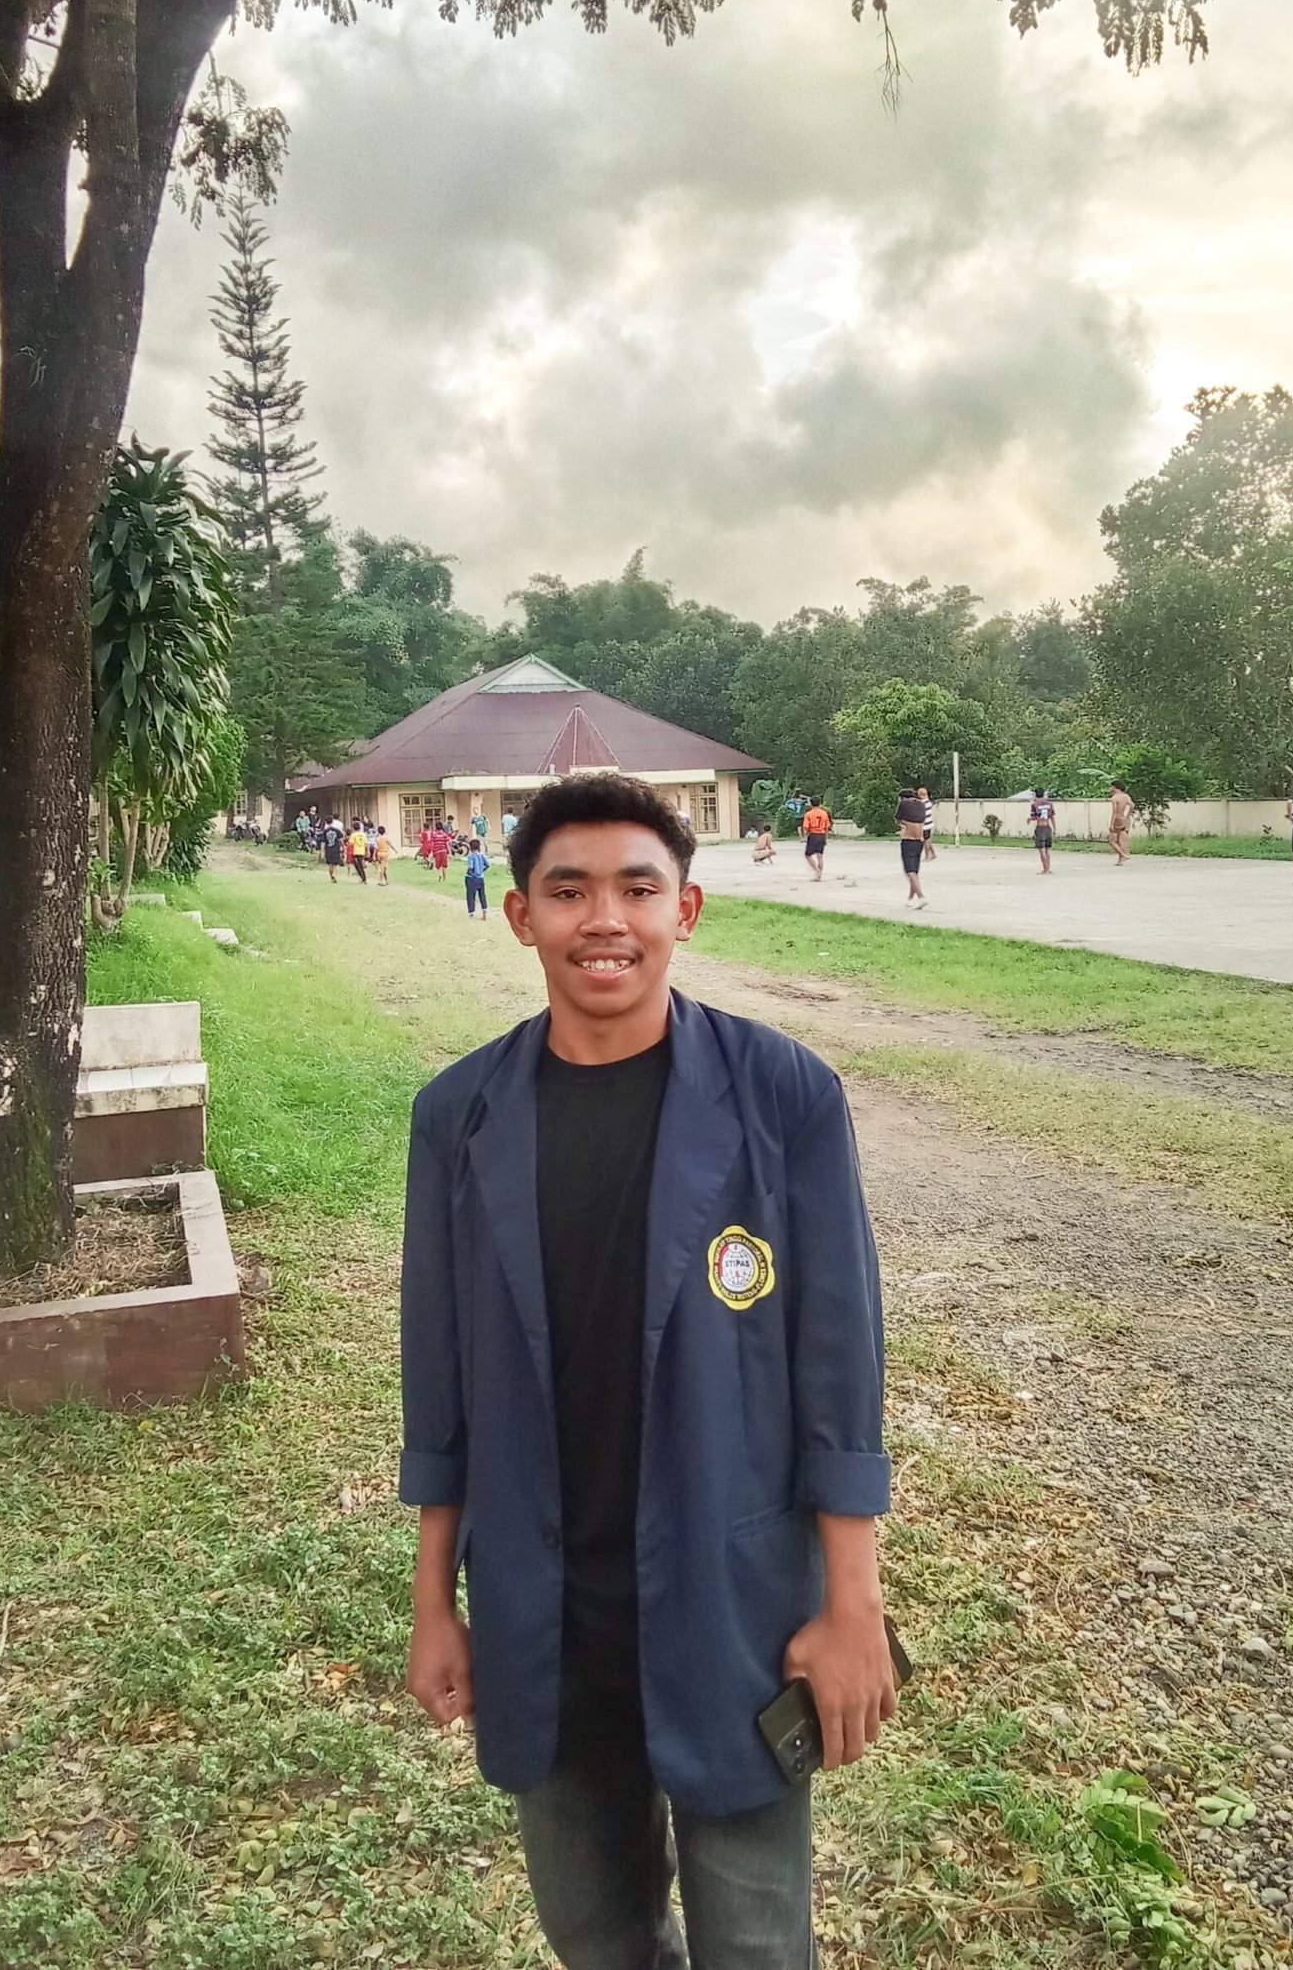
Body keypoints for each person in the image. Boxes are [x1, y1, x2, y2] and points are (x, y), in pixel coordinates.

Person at [400, 774, 893, 1970]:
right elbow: (441, 1382)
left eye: (637, 888)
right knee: (598, 1935)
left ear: (687, 909)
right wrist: (432, 1605)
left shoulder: (783, 1097)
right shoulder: (460, 1117)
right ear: (520, 915)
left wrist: (852, 1606)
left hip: (732, 1598)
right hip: (543, 1606)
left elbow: (838, 1369)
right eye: (569, 891)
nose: (604, 919)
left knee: (755, 1940)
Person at [894, 785, 928, 908]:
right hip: (919, 841)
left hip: (908, 840)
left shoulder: (904, 804)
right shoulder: (922, 805)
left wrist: (902, 823)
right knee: (914, 871)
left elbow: (897, 819)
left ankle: (921, 896)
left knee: (909, 871)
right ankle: (910, 898)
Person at [801, 796, 832, 882]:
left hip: (813, 834)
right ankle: (819, 875)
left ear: (811, 804)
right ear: (820, 803)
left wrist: (804, 836)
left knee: (808, 855)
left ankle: (816, 870)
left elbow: (805, 827)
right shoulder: (824, 813)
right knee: (820, 856)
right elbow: (827, 827)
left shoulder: (808, 814)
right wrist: (826, 838)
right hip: (821, 835)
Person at [1027, 787, 1056, 874]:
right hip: (1047, 827)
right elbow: (1052, 817)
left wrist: (1029, 819)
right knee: (1047, 849)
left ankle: (1045, 869)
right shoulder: (1050, 804)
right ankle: (1048, 868)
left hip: (1040, 827)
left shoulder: (1035, 804)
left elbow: (1034, 817)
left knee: (1041, 849)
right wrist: (1055, 828)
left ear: (1035, 795)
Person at [1108, 780, 1136, 865]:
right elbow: (1132, 805)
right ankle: (1120, 860)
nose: (1110, 788)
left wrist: (1111, 824)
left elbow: (1115, 812)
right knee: (1122, 840)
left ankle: (1123, 855)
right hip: (1125, 819)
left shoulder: (1115, 798)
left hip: (1118, 820)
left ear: (1115, 787)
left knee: (1112, 841)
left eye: (1112, 786)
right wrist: (1127, 814)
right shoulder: (1126, 796)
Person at [464, 842, 491, 920]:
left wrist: (469, 873)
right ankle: (484, 913)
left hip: (471, 878)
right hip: (480, 878)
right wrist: (481, 871)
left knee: (470, 896)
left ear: (470, 847)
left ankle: (471, 913)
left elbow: (470, 867)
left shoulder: (471, 856)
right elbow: (488, 865)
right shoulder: (482, 855)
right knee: (482, 895)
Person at [916, 786, 937, 861]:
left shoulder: (922, 803)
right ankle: (933, 854)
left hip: (925, 825)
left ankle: (927, 856)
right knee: (928, 840)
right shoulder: (929, 802)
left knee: (926, 841)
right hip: (929, 824)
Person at [322, 817, 344, 883]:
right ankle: (334, 874)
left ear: (326, 822)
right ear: (332, 822)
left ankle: (331, 877)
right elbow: (341, 839)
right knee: (336, 863)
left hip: (328, 848)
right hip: (336, 848)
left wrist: (322, 851)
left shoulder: (325, 831)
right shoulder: (337, 830)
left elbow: (323, 842)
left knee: (330, 864)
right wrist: (343, 846)